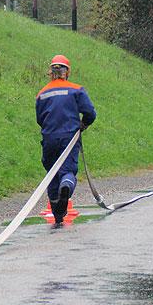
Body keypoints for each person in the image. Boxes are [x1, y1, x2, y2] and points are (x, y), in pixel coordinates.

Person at [35, 54, 96, 229]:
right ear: (67, 72)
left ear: (51, 72)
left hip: (49, 139)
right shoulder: (76, 90)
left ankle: (57, 214)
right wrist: (83, 124)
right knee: (67, 171)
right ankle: (66, 188)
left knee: (52, 173)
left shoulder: (42, 94)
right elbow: (91, 113)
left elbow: (40, 119)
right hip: (69, 137)